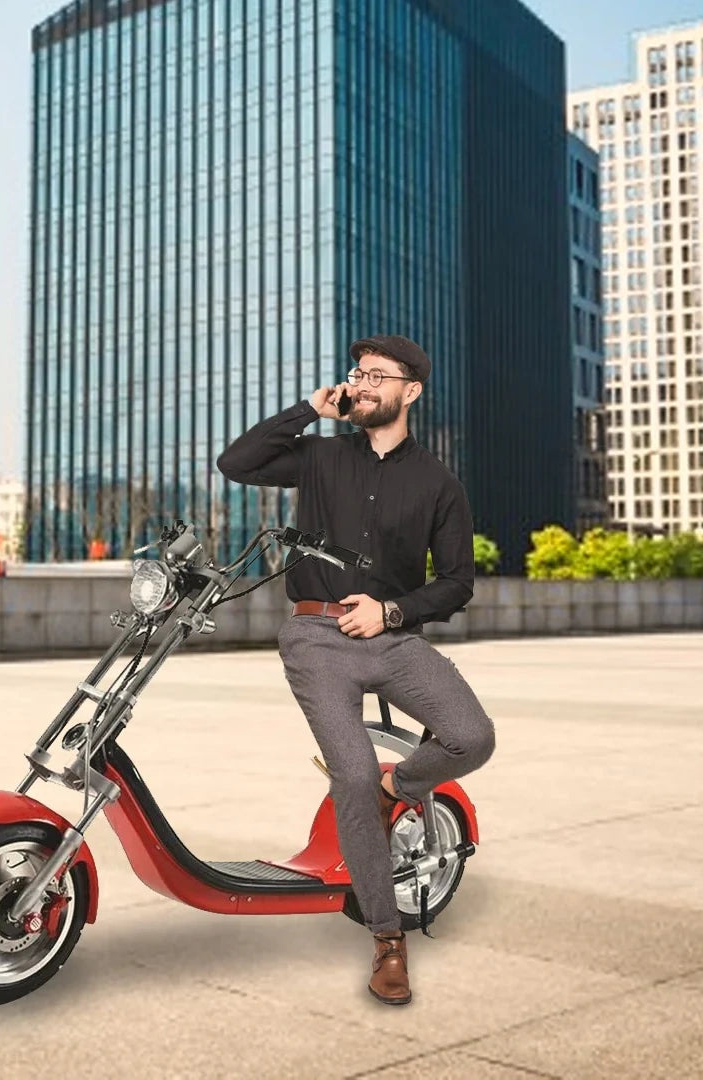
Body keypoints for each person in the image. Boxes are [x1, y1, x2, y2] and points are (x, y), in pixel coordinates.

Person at [215, 334, 496, 1006]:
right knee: (352, 773)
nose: (364, 383)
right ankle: (386, 939)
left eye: (378, 375)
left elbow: (458, 582)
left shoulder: (439, 485)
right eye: (357, 373)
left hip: (394, 639)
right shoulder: (315, 457)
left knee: (472, 737)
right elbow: (236, 462)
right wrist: (306, 410)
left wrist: (393, 612)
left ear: (411, 391)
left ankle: (396, 791)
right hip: (316, 635)